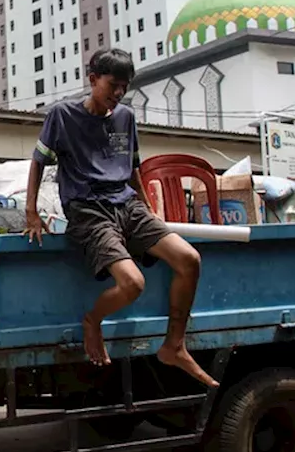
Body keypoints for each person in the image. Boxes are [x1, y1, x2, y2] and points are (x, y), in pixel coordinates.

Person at [24, 49, 218, 387]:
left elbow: (133, 170)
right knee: (133, 283)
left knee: (190, 259)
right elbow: (39, 161)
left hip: (128, 206)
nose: (117, 94)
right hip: (88, 210)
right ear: (93, 79)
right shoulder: (62, 115)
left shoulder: (125, 117)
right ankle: (92, 321)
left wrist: (147, 210)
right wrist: (31, 213)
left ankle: (174, 345)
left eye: (124, 87)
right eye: (112, 85)